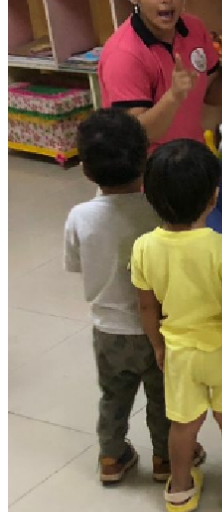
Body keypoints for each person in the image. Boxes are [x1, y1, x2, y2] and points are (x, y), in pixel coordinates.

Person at [63, 109, 206, 485]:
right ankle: (166, 458)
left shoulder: (79, 216)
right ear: (145, 160)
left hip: (108, 329)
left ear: (85, 168)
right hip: (158, 327)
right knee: (163, 397)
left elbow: (75, 264)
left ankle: (111, 456)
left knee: (113, 395)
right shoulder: (158, 209)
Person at [131, 139, 222, 512]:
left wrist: (157, 346)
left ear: (149, 196)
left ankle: (179, 490)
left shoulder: (143, 247)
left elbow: (147, 305)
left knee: (182, 424)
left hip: (179, 351)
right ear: (214, 197)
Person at [98, 0, 222, 233]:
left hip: (192, 151)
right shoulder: (124, 54)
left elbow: (211, 93)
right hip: (154, 168)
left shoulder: (193, 28)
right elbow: (138, 134)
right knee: (212, 235)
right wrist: (174, 96)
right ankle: (153, 214)